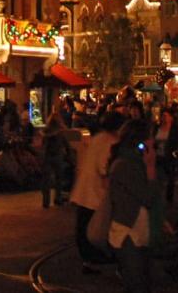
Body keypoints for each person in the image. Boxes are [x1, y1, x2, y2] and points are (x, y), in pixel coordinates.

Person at [107, 119, 161, 293]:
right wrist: (151, 167)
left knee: (140, 281)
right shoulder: (126, 165)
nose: (154, 140)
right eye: (151, 136)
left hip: (139, 230)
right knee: (137, 283)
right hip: (128, 233)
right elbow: (147, 197)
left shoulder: (135, 161)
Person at [71, 110, 124, 272]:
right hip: (95, 192)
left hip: (85, 190)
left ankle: (88, 259)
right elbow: (104, 168)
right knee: (94, 227)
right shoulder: (110, 141)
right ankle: (94, 258)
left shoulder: (98, 138)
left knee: (84, 226)